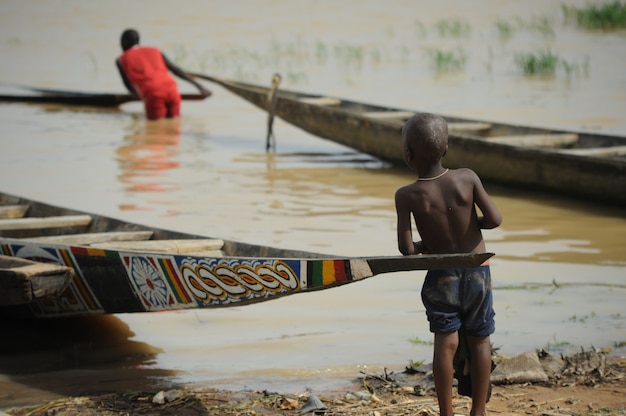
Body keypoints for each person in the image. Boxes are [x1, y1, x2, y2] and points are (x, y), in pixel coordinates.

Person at [394, 113, 502, 416]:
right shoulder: (467, 177)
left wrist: (425, 244)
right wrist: (471, 226)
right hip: (478, 270)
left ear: (407, 154)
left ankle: (446, 412)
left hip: (442, 275)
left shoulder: (407, 195)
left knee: (446, 342)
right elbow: (495, 219)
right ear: (446, 149)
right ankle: (478, 411)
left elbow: (406, 249)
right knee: (481, 341)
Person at [116, 29, 211, 120]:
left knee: (156, 130)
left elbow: (128, 84)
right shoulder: (155, 51)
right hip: (172, 90)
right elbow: (176, 70)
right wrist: (200, 87)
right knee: (173, 125)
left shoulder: (121, 59)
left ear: (125, 41)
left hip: (153, 93)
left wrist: (138, 96)